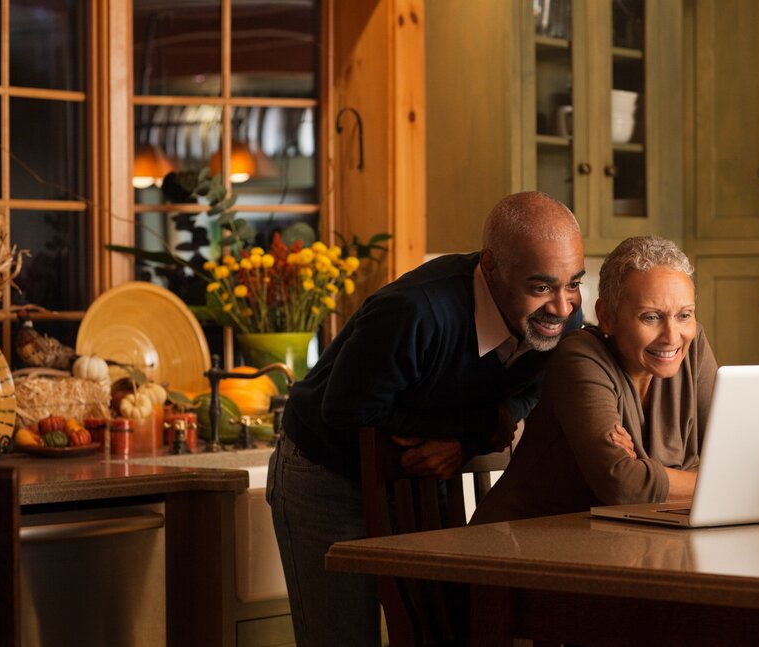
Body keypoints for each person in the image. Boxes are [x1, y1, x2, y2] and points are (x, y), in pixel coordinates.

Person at [267, 191, 585, 646]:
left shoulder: (563, 318)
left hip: (418, 473)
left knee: (439, 633)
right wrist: (470, 431)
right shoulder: (415, 310)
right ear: (491, 266)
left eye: (573, 282)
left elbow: (530, 390)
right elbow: (344, 410)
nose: (562, 306)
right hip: (326, 474)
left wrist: (466, 440)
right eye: (541, 287)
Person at [471, 235, 717, 524]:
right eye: (651, 317)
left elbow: (742, 461)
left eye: (684, 315)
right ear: (607, 316)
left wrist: (643, 469)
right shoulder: (580, 355)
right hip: (519, 544)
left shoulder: (693, 347)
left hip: (622, 542)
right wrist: (715, 482)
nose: (672, 336)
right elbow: (624, 487)